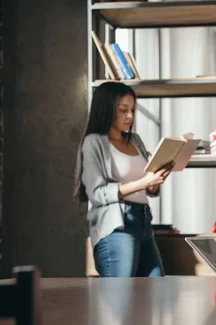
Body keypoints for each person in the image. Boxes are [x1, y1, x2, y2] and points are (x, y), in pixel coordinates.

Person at [74, 81, 172, 277]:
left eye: (133, 110)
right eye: (123, 110)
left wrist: (155, 180)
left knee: (157, 288)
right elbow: (96, 193)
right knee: (120, 298)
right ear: (107, 109)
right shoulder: (94, 142)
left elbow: (146, 186)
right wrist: (144, 183)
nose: (130, 116)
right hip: (117, 225)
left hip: (143, 221)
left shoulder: (135, 140)